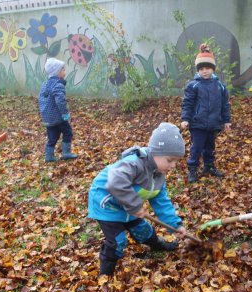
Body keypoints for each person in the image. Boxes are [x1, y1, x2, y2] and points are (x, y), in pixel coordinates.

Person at [88, 122, 188, 276]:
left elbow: (162, 203)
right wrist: (135, 206)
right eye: (170, 160)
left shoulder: (159, 175)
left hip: (129, 206)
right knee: (118, 241)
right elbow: (116, 181)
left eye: (176, 161)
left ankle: (157, 245)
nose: (173, 165)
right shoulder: (134, 163)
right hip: (107, 204)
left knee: (144, 230)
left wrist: (175, 225)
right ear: (155, 152)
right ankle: (105, 276)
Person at [181, 44, 231, 183]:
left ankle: (209, 165)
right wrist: (186, 118)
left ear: (213, 69)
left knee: (210, 146)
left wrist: (226, 120)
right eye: (201, 69)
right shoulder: (193, 86)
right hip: (198, 123)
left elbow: (224, 104)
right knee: (196, 147)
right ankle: (192, 169)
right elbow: (188, 103)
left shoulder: (220, 86)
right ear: (198, 70)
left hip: (214, 122)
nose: (204, 71)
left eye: (207, 68)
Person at [38, 57, 77, 162]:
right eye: (63, 69)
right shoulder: (58, 85)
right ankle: (66, 153)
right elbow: (60, 101)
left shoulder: (45, 84)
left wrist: (44, 113)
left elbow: (41, 99)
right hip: (58, 116)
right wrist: (65, 114)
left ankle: (49, 156)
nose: (65, 71)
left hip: (47, 117)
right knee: (67, 132)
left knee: (53, 136)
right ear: (58, 72)